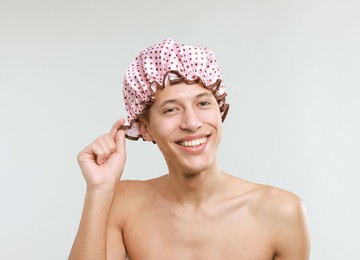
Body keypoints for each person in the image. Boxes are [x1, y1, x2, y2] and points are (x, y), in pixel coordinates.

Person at [69, 38, 310, 260]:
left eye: (203, 103)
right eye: (171, 109)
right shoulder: (122, 204)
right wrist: (99, 190)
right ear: (145, 128)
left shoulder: (282, 213)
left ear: (220, 109)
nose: (192, 123)